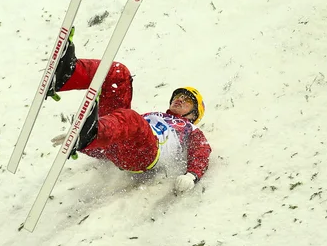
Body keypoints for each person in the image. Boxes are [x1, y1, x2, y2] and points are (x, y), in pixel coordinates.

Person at [47, 30, 211, 194]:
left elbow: (201, 151)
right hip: (123, 142)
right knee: (119, 75)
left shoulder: (191, 129)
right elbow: (115, 137)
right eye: (179, 95)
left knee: (131, 118)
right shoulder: (156, 116)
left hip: (147, 155)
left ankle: (92, 132)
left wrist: (192, 175)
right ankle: (67, 75)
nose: (180, 99)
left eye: (188, 101)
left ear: (195, 114)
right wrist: (82, 144)